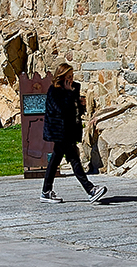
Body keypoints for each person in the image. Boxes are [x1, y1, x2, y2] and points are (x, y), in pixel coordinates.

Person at [40, 64, 107, 204]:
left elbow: (74, 110)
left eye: (72, 76)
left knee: (55, 160)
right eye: (68, 76)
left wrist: (80, 105)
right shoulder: (55, 91)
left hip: (69, 130)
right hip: (60, 131)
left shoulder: (74, 88)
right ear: (62, 76)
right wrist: (70, 94)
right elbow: (61, 109)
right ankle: (90, 190)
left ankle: (46, 191)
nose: (71, 79)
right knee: (74, 159)